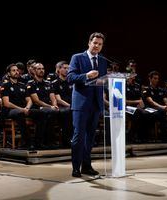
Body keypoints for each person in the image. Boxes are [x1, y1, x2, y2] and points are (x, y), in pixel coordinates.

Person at [67, 32, 107, 177]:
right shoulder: (77, 57)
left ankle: (87, 166)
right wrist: (86, 76)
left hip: (96, 105)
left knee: (90, 137)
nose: (97, 46)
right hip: (81, 104)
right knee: (79, 136)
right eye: (95, 43)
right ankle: (76, 168)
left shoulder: (102, 61)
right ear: (89, 43)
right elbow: (70, 77)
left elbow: (102, 82)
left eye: (100, 44)